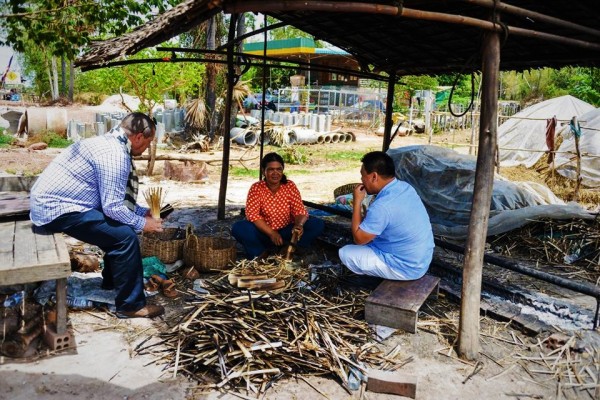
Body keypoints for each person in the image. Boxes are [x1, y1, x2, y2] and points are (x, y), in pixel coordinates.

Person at [30, 112, 165, 319]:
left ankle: (113, 283)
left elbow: (113, 200)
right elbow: (112, 207)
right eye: (148, 142)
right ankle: (130, 306)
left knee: (120, 229)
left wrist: (140, 212)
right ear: (138, 137)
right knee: (125, 237)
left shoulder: (111, 143)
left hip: (56, 203)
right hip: (56, 209)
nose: (147, 147)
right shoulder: (115, 155)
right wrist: (142, 223)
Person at [339, 151, 434, 280]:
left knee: (345, 253)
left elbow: (359, 239)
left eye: (363, 176)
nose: (361, 180)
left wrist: (357, 202)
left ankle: (371, 280)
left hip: (406, 268)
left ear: (374, 176)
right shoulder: (405, 187)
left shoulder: (382, 207)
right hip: (422, 260)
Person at [232, 152, 325, 259]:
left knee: (317, 224)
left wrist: (299, 225)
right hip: (263, 233)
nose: (275, 173)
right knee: (239, 228)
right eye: (271, 169)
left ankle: (290, 248)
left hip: (285, 233)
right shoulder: (256, 188)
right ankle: (260, 254)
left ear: (282, 171)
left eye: (279, 169)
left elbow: (300, 211)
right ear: (263, 171)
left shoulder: (289, 186)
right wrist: (272, 233)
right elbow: (253, 215)